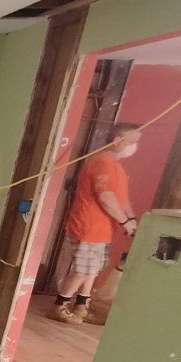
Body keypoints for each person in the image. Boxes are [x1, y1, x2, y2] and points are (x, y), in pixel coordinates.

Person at [50, 122, 142, 325]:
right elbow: (106, 198)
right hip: (88, 226)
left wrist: (132, 220)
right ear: (117, 141)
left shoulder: (116, 168)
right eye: (132, 141)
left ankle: (81, 306)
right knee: (82, 270)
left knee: (92, 269)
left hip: (102, 229)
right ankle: (60, 305)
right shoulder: (102, 163)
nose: (135, 146)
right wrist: (125, 221)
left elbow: (122, 200)